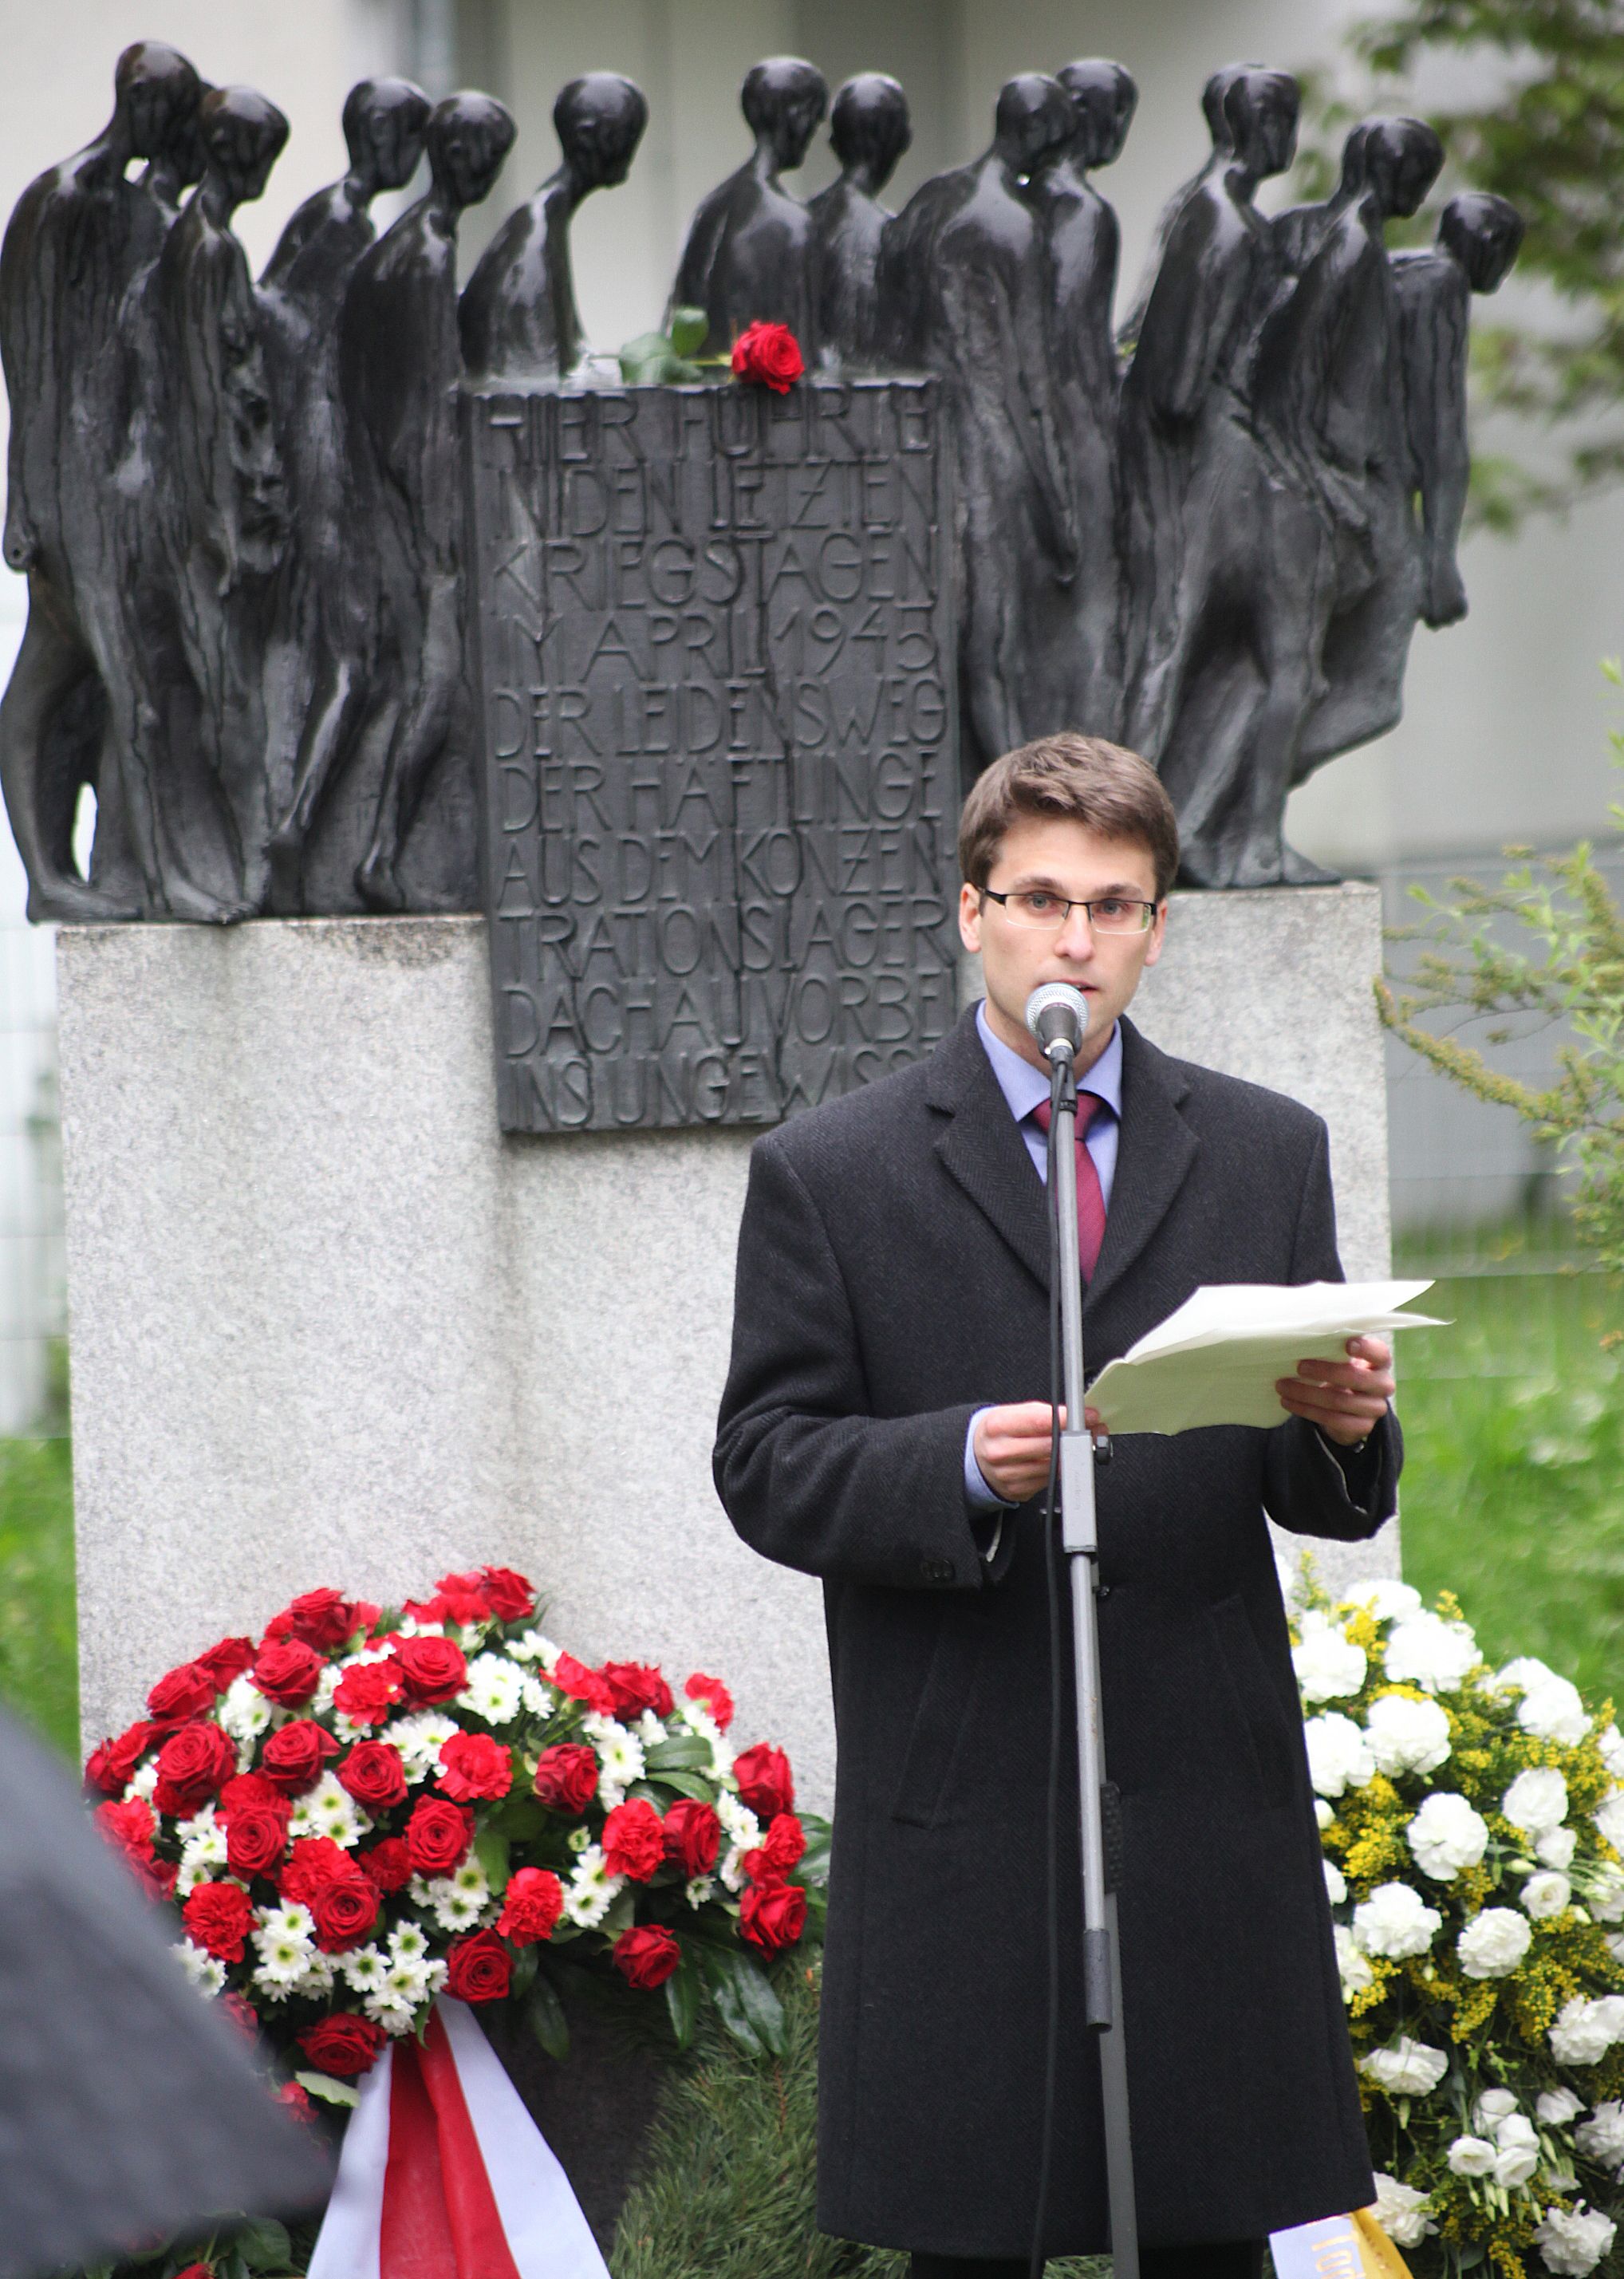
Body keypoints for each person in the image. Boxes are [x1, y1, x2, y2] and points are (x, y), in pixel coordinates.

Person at [714, 733, 1400, 2278]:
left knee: (1212, 2230)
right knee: (974, 2237)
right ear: (972, 914)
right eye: (1039, 898)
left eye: (1113, 903)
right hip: (965, 1786)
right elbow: (762, 1455)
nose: (1074, 939)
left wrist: (1348, 1429)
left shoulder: (1263, 1149)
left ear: (1157, 926)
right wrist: (956, 1461)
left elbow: (1310, 1480)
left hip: (1196, 1789)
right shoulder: (833, 1172)